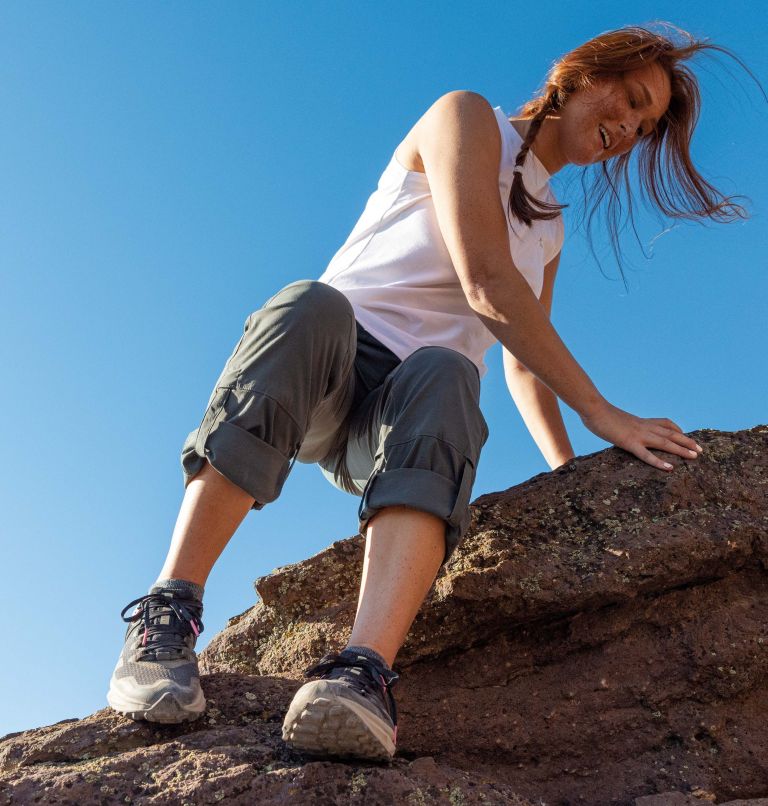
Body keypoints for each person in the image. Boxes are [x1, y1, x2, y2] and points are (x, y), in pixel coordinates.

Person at [106, 23, 759, 762]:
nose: (629, 129)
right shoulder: (467, 117)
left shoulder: (550, 228)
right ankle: (169, 611)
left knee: (454, 369)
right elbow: (485, 281)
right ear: (579, 74)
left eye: (644, 128)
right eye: (632, 100)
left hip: (402, 417)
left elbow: (518, 361)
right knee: (310, 303)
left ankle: (361, 676)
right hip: (326, 365)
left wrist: (569, 473)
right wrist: (602, 409)